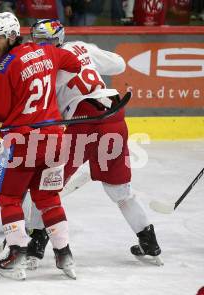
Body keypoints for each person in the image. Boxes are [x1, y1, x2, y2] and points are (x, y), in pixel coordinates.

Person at [30, 18, 163, 266]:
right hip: (113, 114)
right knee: (119, 190)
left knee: (46, 185)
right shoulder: (81, 47)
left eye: (44, 41)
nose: (42, 45)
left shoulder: (41, 64)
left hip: (83, 121)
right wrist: (88, 57)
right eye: (39, 40)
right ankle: (149, 241)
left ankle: (36, 244)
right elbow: (120, 65)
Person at [0, 12, 82, 280]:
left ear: (13, 35)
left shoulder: (5, 66)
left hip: (23, 142)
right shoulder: (48, 51)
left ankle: (17, 255)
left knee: (9, 198)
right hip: (53, 139)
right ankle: (64, 254)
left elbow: (0, 112)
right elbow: (74, 64)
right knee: (48, 198)